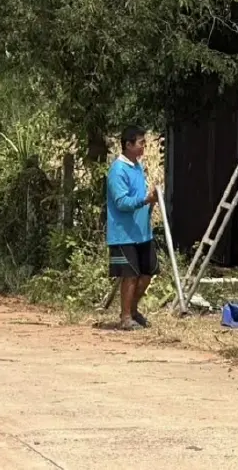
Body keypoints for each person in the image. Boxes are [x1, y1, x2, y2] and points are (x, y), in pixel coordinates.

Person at [107, 126, 159, 331]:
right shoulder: (118, 171)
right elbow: (121, 202)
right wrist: (145, 199)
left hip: (141, 231)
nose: (143, 148)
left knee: (147, 272)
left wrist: (151, 201)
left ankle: (133, 310)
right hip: (123, 233)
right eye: (140, 143)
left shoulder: (137, 167)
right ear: (128, 145)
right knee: (130, 275)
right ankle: (126, 317)